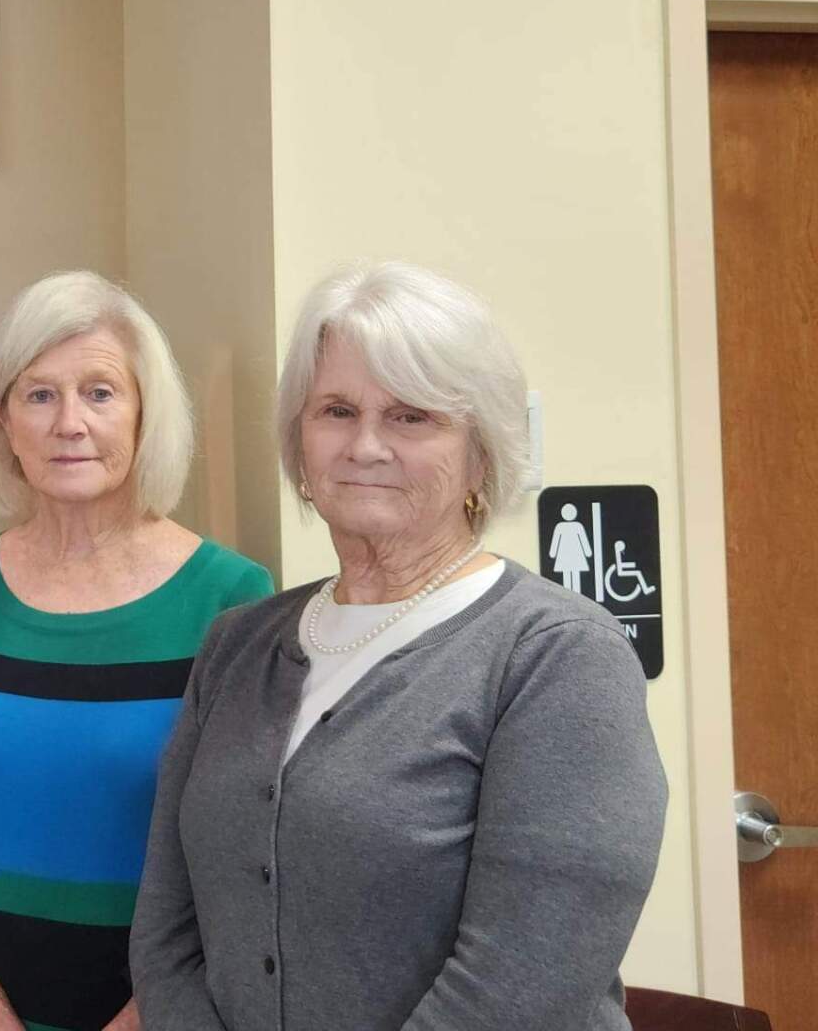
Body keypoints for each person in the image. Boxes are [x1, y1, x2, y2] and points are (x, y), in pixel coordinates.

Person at [130, 262, 666, 1031]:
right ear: (300, 442)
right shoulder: (238, 643)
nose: (367, 446)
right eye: (337, 410)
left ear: (480, 454)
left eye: (412, 416)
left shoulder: (559, 657)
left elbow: (525, 982)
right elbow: (166, 926)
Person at [0, 272, 272, 1031]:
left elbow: (242, 852)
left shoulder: (231, 597)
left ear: (143, 415)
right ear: (1, 423)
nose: (70, 423)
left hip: (167, 1013)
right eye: (39, 395)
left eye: (100, 392)